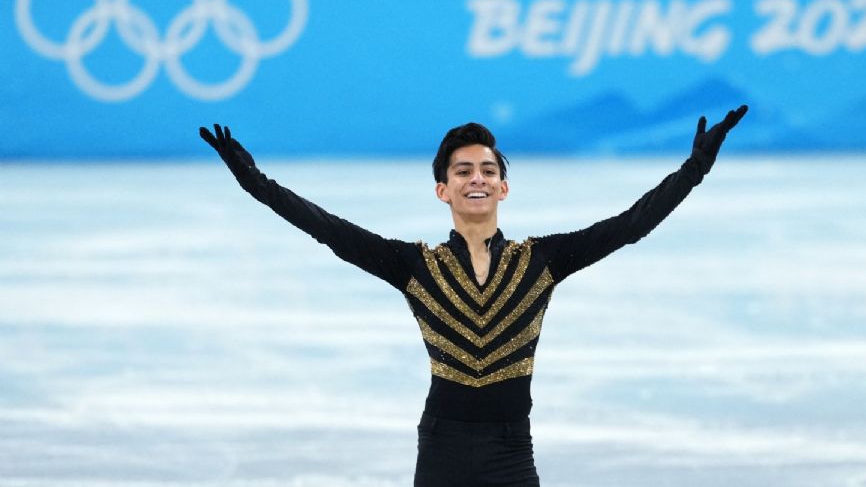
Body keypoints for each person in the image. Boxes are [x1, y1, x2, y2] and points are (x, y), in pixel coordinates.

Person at [199, 104, 748, 487]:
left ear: (504, 187)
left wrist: (695, 168)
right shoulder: (415, 265)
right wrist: (256, 183)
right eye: (463, 171)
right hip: (443, 449)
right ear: (443, 189)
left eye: (488, 169)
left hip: (512, 450)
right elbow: (327, 228)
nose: (477, 178)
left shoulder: (541, 260)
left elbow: (631, 224)